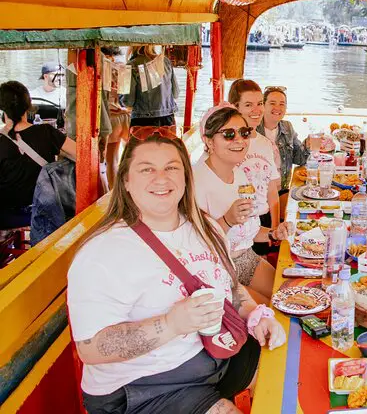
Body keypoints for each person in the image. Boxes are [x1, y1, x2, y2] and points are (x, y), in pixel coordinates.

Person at [67, 125, 286, 414]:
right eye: (147, 169)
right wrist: (170, 324)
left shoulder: (206, 228)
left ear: (185, 177)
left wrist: (254, 314)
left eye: (172, 168)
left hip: (215, 354)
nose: (162, 178)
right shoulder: (102, 252)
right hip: (146, 388)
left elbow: (230, 287)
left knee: (290, 370)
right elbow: (91, 348)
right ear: (126, 181)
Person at [194, 104, 288, 303]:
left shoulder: (238, 174)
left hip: (246, 258)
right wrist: (227, 221)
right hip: (217, 272)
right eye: (228, 134)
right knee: (274, 314)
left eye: (244, 133)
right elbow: (195, 247)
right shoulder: (196, 183)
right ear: (208, 141)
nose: (239, 140)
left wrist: (273, 233)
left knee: (288, 296)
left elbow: (248, 229)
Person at [0, 81, 76, 229]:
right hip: (44, 211)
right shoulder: (46, 133)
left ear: (3, 109)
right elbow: (83, 156)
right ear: (28, 105)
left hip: (5, 217)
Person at [228, 80, 281, 255]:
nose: (257, 110)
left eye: (259, 103)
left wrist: (274, 228)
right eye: (248, 105)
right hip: (236, 226)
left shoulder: (266, 144)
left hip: (262, 221)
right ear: (235, 108)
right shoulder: (227, 146)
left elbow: (272, 190)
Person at [256, 86, 310, 192]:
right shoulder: (253, 130)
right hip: (259, 192)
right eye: (272, 103)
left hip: (282, 189)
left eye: (282, 104)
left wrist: (308, 144)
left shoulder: (287, 127)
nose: (278, 108)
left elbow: (299, 160)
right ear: (263, 105)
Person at [125, 45, 179, 127]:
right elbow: (176, 93)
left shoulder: (132, 65)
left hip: (142, 120)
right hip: (168, 118)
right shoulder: (165, 61)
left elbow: (129, 101)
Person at [101, 47, 131, 189]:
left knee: (112, 161)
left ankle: (113, 193)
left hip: (111, 118)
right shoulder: (124, 66)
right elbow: (128, 97)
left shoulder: (102, 66)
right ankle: (131, 189)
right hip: (126, 116)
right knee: (131, 159)